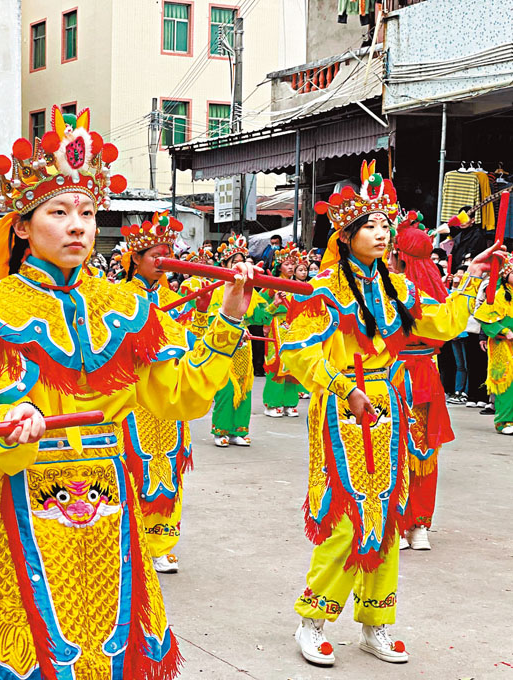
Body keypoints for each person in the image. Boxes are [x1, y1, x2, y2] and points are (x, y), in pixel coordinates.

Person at [0, 105, 254, 680]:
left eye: (88, 212)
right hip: (28, 495)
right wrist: (6, 412)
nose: (77, 226)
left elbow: (178, 395)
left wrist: (230, 323)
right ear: (21, 225)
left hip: (112, 500)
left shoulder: (123, 307)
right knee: (39, 641)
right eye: (59, 211)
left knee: (115, 642)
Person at [285, 162, 500, 667]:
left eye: (386, 225)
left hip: (388, 407)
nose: (383, 234)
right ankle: (311, 621)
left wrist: (470, 278)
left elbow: (444, 323)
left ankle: (376, 623)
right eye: (372, 226)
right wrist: (342, 387)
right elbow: (298, 350)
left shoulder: (397, 287)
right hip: (342, 409)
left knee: (384, 514)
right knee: (345, 517)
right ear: (348, 233)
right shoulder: (325, 290)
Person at [118, 210, 210, 573]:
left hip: (170, 393)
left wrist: (201, 315)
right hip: (133, 396)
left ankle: (161, 543)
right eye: (153, 254)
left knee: (168, 467)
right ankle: (132, 539)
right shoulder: (118, 299)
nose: (161, 261)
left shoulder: (181, 299)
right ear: (135, 258)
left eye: (166, 254)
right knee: (132, 466)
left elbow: (196, 349)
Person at [390, 210, 454, 551]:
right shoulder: (435, 291)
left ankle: (401, 524)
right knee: (424, 450)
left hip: (394, 374)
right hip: (425, 373)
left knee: (397, 449)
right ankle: (418, 525)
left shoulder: (389, 288)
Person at [208, 235, 272, 446]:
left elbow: (261, 316)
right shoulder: (218, 290)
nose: (239, 265)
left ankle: (238, 430)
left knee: (245, 387)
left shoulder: (249, 290)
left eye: (241, 261)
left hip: (244, 346)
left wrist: (274, 302)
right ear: (225, 265)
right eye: (233, 262)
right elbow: (211, 318)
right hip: (225, 344)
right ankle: (221, 430)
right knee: (226, 389)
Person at [474, 252, 513, 435]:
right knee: (506, 384)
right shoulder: (499, 294)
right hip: (503, 346)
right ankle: (503, 421)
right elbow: (483, 316)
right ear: (506, 274)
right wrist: (504, 331)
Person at [262, 244, 302, 418]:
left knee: (293, 363)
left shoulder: (300, 286)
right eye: (287, 264)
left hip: (294, 326)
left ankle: (290, 402)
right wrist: (275, 303)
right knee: (276, 363)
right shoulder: (271, 285)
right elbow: (260, 309)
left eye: (293, 264)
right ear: (279, 266)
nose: (291, 267)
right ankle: (272, 403)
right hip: (276, 325)